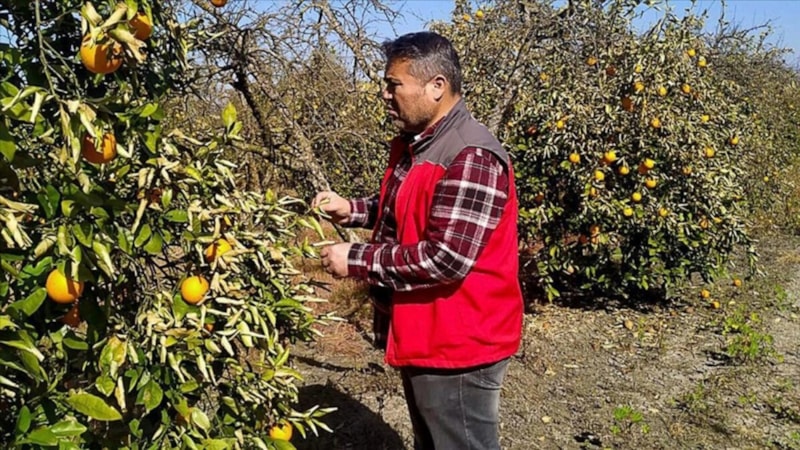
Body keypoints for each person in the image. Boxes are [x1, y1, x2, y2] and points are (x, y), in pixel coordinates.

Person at [312, 31, 523, 450]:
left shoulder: (469, 156)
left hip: (460, 342)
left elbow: (445, 258)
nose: (385, 95)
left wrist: (356, 258)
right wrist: (349, 209)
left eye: (394, 85)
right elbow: (403, 207)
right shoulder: (424, 145)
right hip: (430, 332)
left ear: (436, 87)